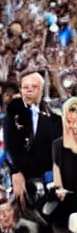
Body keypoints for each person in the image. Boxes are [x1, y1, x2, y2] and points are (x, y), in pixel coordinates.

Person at [3, 71, 61, 208]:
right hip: (21, 180)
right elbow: (9, 148)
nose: (29, 90)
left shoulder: (54, 117)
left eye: (33, 86)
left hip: (49, 180)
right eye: (25, 87)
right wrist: (16, 171)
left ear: (41, 90)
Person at [50, 97, 77, 232]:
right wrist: (59, 190)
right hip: (67, 201)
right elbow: (57, 180)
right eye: (70, 122)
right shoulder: (58, 145)